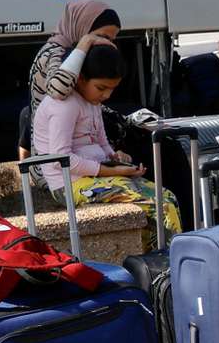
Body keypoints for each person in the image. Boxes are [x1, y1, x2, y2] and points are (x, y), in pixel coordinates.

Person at [32, 43, 180, 250]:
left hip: (97, 176)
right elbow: (60, 159)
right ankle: (171, 264)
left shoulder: (91, 102)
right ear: (80, 78)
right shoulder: (64, 106)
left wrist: (115, 156)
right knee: (160, 206)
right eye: (101, 88)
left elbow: (101, 142)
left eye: (112, 89)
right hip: (71, 184)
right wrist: (109, 170)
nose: (107, 96)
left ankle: (154, 259)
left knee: (168, 197)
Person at [24, 0, 122, 156]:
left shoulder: (73, 52)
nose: (105, 43)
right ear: (82, 27)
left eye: (111, 40)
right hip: (52, 165)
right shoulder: (55, 52)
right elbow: (58, 91)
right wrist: (86, 42)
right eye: (101, 36)